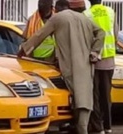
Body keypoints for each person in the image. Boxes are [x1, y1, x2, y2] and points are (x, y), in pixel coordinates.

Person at [18, 0, 105, 133]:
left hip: (68, 65)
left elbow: (39, 35)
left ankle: (80, 128)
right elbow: (101, 32)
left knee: (76, 96)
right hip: (86, 64)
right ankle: (82, 128)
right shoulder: (84, 18)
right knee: (84, 97)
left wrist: (23, 50)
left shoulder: (57, 18)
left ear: (56, 9)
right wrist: (95, 51)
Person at [83, 0, 118, 133]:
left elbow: (86, 38)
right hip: (109, 59)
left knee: (94, 95)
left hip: (94, 60)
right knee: (106, 95)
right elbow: (115, 34)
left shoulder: (86, 14)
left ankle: (98, 128)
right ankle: (108, 126)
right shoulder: (110, 12)